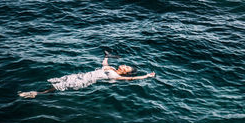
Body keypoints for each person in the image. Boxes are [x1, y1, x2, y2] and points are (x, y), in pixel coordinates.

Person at [18, 51, 155, 98]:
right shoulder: (112, 68)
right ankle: (47, 93)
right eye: (125, 64)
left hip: (82, 81)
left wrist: (146, 76)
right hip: (81, 75)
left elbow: (131, 78)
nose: (124, 65)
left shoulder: (115, 76)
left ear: (125, 72)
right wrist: (107, 56)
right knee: (58, 82)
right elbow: (104, 64)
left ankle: (36, 93)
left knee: (58, 86)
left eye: (126, 67)